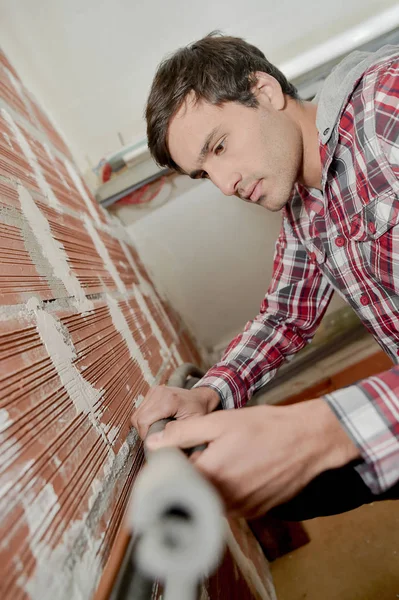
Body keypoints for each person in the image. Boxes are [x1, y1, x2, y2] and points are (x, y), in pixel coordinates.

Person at [131, 32, 399, 521]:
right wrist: (208, 392)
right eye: (204, 173)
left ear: (265, 92)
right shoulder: (305, 208)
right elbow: (284, 318)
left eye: (220, 146)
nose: (225, 184)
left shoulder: (387, 106)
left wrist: (324, 430)